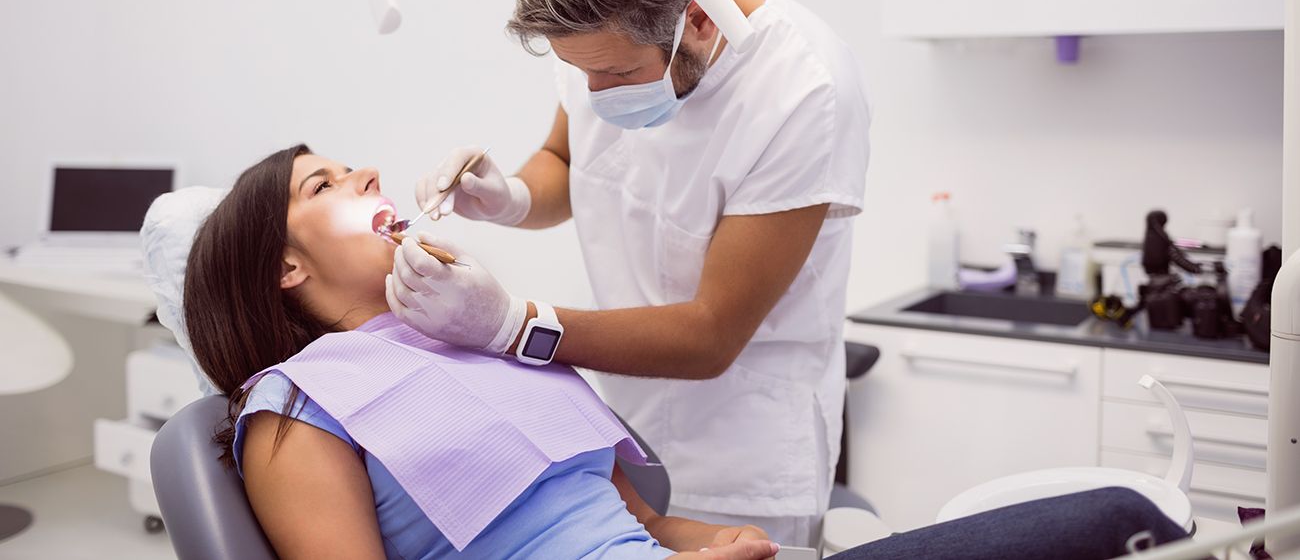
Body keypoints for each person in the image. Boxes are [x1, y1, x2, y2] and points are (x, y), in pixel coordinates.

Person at [175, 146, 1190, 560]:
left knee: (1123, 518)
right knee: (1116, 526)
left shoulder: (470, 341)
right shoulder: (295, 409)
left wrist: (724, 543)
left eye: (350, 166)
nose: (362, 174)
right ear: (284, 269)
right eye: (322, 186)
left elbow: (643, 522)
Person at [388, 0, 871, 544]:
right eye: (577, 71)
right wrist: (511, 197)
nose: (595, 94)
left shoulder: (803, 91)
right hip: (624, 429)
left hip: (745, 449)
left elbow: (710, 335)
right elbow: (567, 160)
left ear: (699, 20)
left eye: (616, 75)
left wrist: (512, 325)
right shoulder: (606, 1)